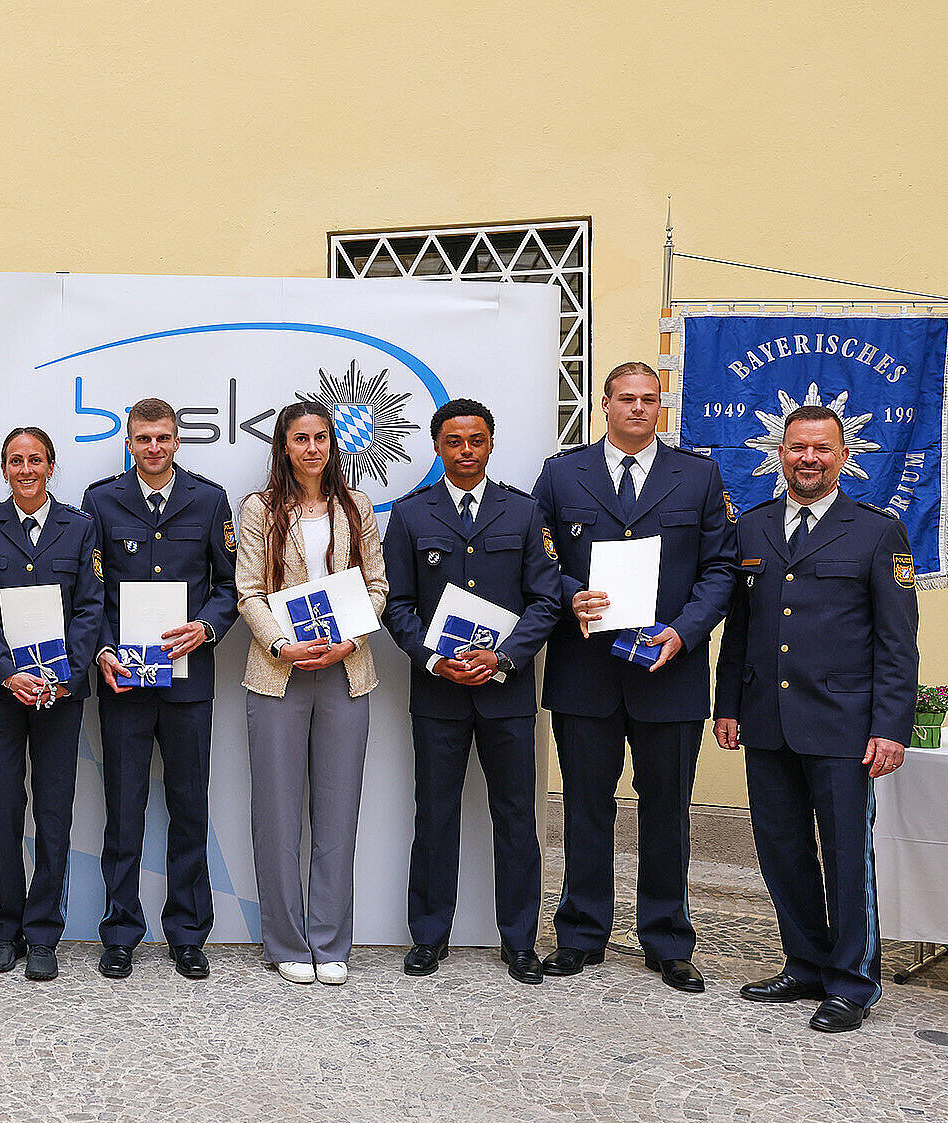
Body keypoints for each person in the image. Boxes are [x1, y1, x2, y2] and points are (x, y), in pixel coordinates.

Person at [532, 361, 736, 993]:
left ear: (660, 407)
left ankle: (668, 940)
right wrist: (569, 594)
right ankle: (580, 933)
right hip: (586, 671)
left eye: (650, 399)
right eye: (627, 398)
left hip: (667, 671)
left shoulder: (698, 477)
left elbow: (721, 568)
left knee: (667, 810)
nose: (639, 408)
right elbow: (537, 557)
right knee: (585, 807)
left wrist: (685, 631)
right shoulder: (562, 474)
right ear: (605, 403)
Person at [714, 405, 918, 1033]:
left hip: (843, 725)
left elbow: (897, 642)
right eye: (798, 448)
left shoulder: (878, 532)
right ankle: (804, 964)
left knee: (847, 856)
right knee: (781, 850)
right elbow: (741, 628)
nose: (809, 459)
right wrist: (728, 705)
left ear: (843, 457)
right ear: (780, 453)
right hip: (766, 718)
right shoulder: (753, 527)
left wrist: (891, 726)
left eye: (822, 449)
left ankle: (853, 981)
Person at [381, 399, 563, 986]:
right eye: (454, 441)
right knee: (435, 815)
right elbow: (397, 605)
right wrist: (435, 660)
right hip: (439, 695)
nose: (466, 451)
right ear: (437, 447)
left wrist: (504, 658)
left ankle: (520, 941)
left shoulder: (524, 512)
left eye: (476, 440)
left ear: (490, 444)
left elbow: (546, 601)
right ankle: (429, 936)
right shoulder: (411, 515)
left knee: (516, 818)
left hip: (506, 693)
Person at [80, 399, 238, 981]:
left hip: (188, 680)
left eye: (163, 438)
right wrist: (101, 650)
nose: (153, 448)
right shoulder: (101, 501)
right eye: (143, 439)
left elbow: (229, 585)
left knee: (188, 807)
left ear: (177, 440)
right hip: (123, 679)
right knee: (123, 810)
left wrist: (207, 627)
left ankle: (188, 933)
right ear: (129, 443)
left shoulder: (209, 500)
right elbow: (90, 591)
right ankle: (120, 931)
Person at [234, 401, 387, 986]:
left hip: (347, 669)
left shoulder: (357, 506)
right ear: (284, 446)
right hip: (280, 673)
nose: (313, 448)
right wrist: (282, 646)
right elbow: (248, 592)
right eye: (301, 439)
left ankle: (330, 939)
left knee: (337, 812)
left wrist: (349, 640)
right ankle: (286, 942)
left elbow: (377, 585)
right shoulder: (259, 508)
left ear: (333, 443)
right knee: (276, 814)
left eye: (321, 437)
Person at [0, 426, 103, 981]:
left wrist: (64, 673)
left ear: (51, 466)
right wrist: (8, 672)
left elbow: (90, 607)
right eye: (16, 461)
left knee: (53, 808)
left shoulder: (79, 527)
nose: (26, 470)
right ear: (4, 470)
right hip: (2, 694)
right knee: (1, 807)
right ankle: (7, 927)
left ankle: (44, 932)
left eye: (36, 460)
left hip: (60, 694)